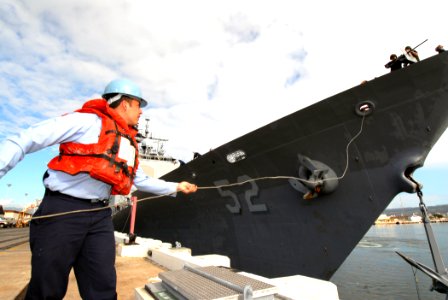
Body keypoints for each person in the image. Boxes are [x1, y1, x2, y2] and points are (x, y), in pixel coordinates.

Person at [0, 78, 198, 300]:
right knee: (47, 287)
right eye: (138, 105)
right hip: (63, 211)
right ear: (125, 103)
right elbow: (25, 138)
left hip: (100, 216)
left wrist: (177, 186)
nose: (141, 112)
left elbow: (140, 180)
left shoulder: (127, 143)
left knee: (102, 286)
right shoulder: (85, 122)